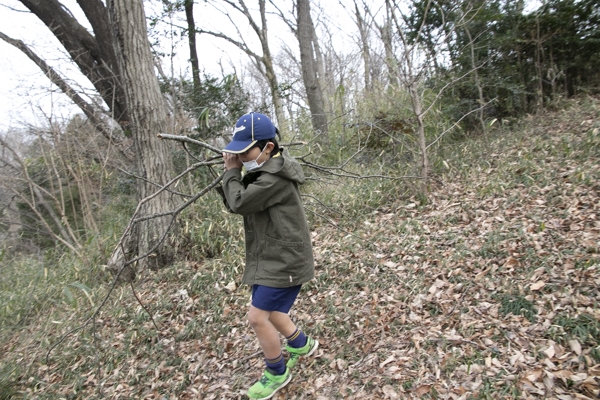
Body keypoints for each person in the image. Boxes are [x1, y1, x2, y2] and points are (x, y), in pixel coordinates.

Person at [219, 112, 319, 399]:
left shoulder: (274, 177)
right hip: (273, 256)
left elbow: (239, 202)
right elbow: (240, 204)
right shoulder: (264, 171)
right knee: (272, 310)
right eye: (235, 152)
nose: (239, 157)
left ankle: (277, 372)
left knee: (257, 316)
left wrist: (230, 173)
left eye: (244, 151)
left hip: (284, 259)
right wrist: (234, 175)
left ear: (268, 148)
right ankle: (300, 343)